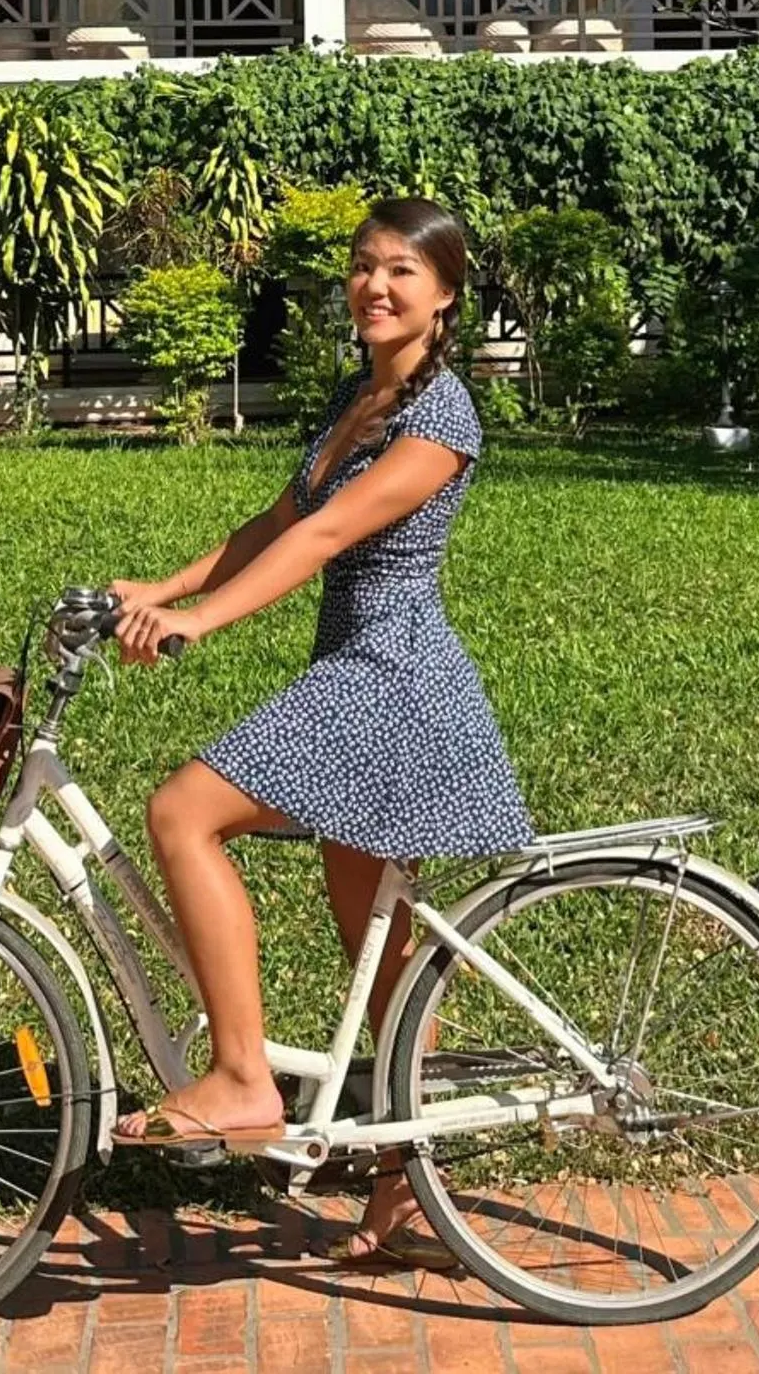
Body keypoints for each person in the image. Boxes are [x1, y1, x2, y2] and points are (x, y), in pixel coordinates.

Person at [107, 196, 538, 1272]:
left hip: (393, 680)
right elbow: (281, 518)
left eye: (401, 270)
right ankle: (407, 1185)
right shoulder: (363, 395)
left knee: (182, 813)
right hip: (357, 669)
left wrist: (202, 621)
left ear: (445, 293)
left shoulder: (442, 419)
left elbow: (331, 534)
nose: (375, 286)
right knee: (382, 961)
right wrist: (164, 586)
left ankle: (241, 1077)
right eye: (362, 265)